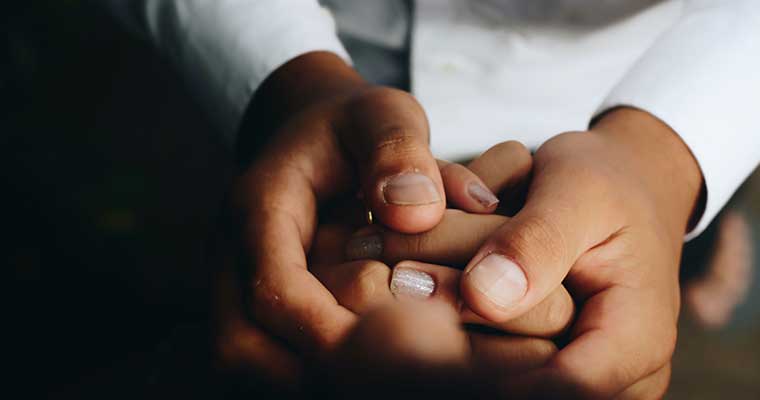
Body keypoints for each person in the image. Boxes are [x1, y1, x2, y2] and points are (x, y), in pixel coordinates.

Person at [106, 0, 760, 397]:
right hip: (323, 54)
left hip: (640, 75)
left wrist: (671, 151)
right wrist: (285, 80)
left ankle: (695, 245)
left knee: (654, 248)